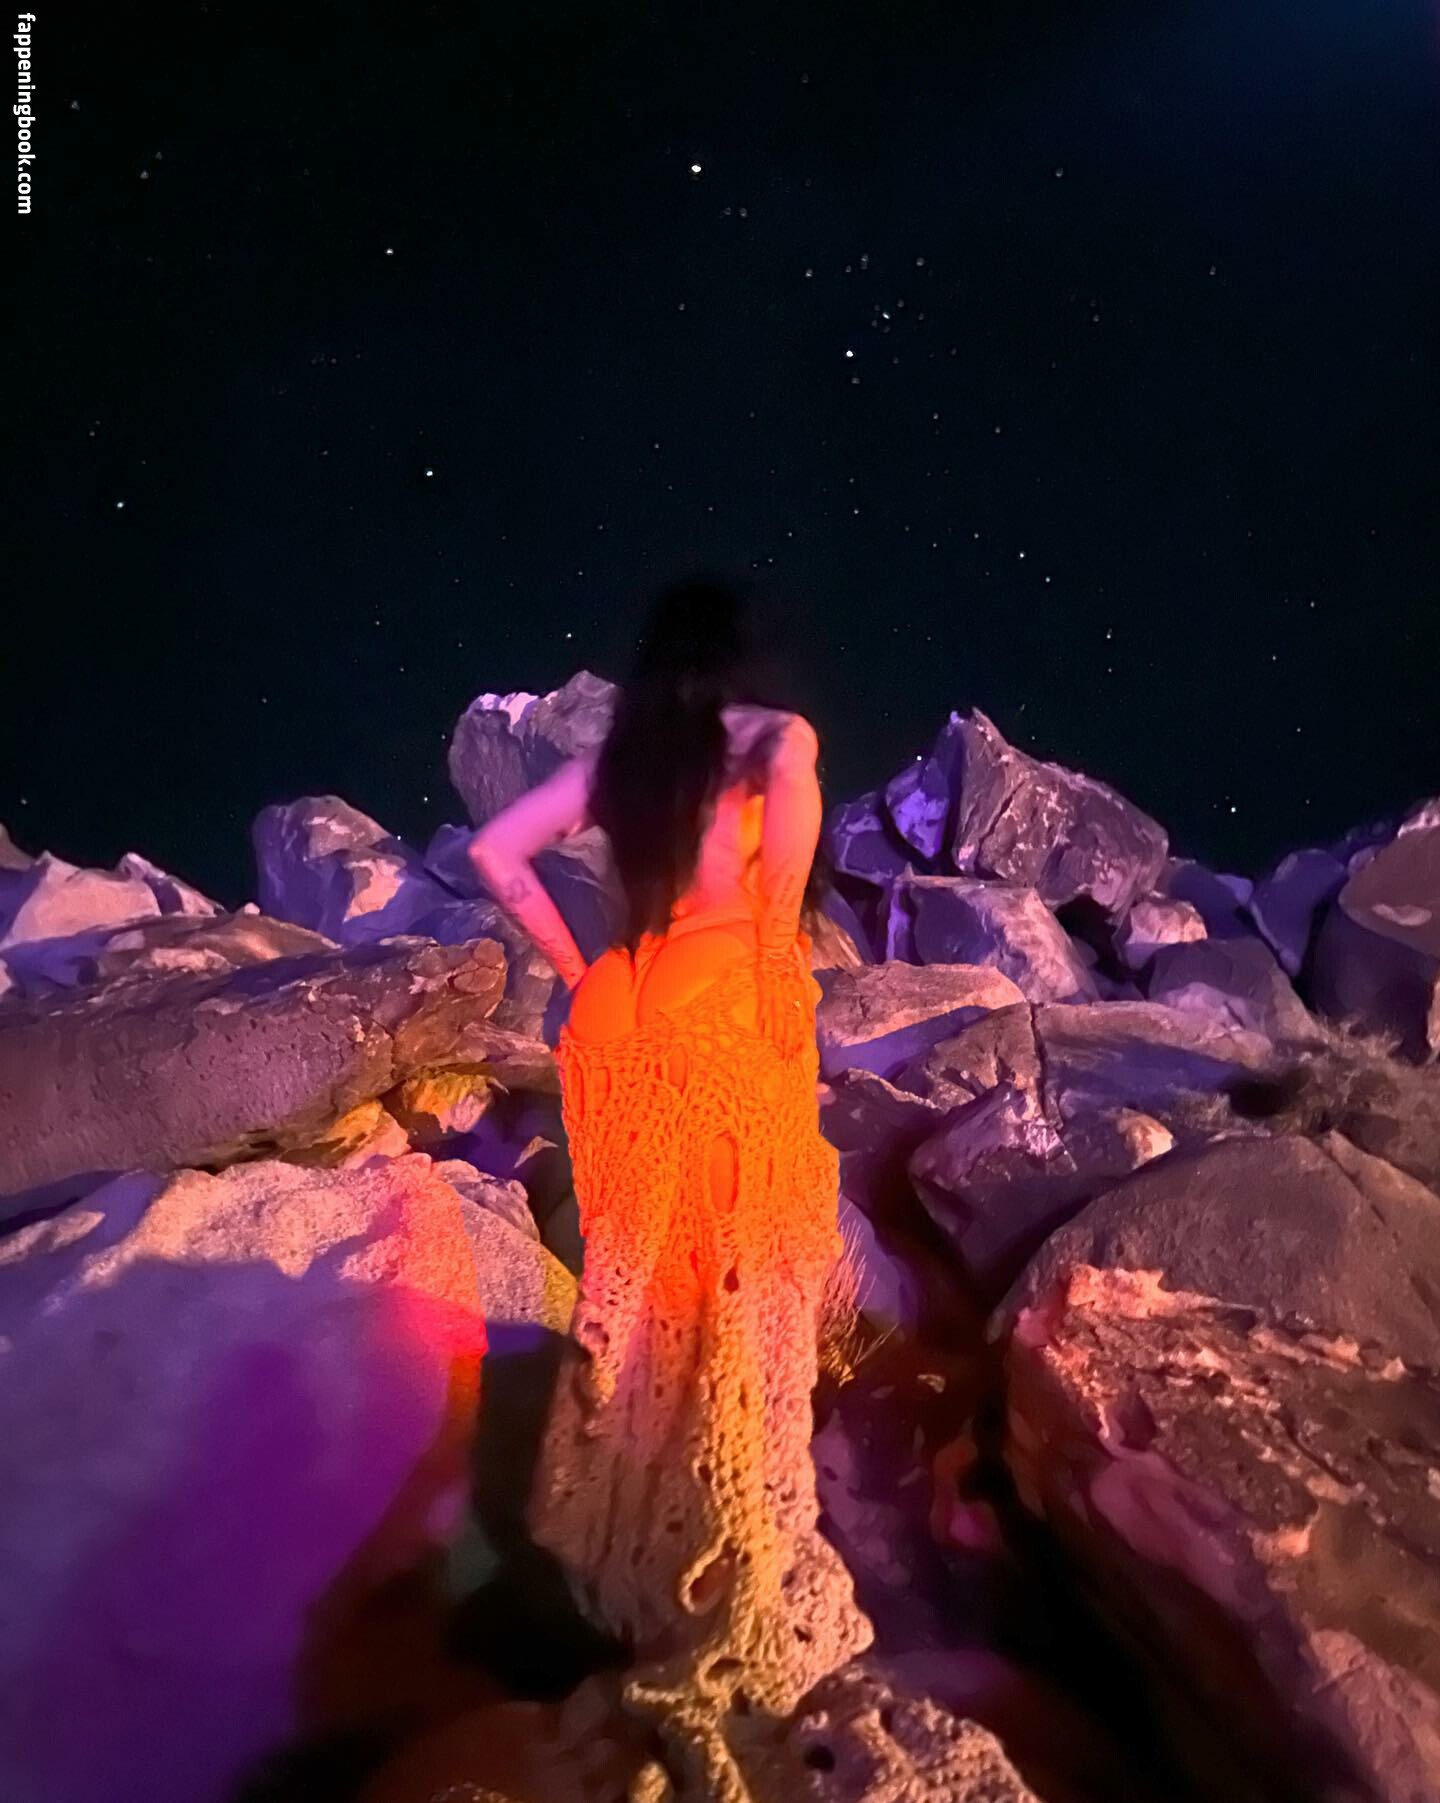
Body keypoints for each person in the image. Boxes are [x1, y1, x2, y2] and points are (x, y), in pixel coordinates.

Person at [466, 580, 871, 1799]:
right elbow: (779, 900)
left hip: (616, 1013)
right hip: (720, 1012)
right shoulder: (777, 741)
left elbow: (495, 853)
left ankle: (634, 1546)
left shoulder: (622, 762)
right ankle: (738, 1552)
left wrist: (577, 965)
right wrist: (778, 991)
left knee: (640, 1288)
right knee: (743, 1285)